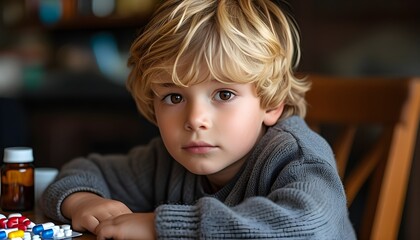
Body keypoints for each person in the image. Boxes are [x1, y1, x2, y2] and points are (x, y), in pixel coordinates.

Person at [41, 0, 356, 239]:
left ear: (271, 103)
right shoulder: (165, 162)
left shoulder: (293, 155)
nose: (195, 120)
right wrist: (81, 202)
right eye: (174, 97)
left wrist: (159, 226)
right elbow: (82, 171)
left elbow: (308, 224)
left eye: (223, 95)